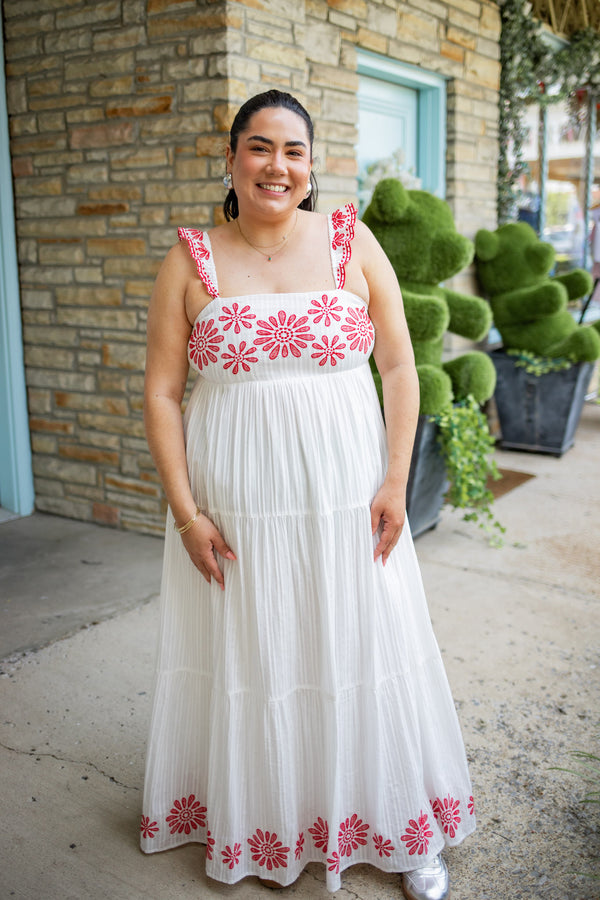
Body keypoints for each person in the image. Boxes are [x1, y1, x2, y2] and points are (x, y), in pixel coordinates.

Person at [140, 89, 475, 899]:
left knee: (367, 643)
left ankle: (399, 830)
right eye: (259, 148)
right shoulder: (190, 260)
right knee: (260, 651)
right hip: (240, 502)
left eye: (293, 151)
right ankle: (275, 820)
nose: (276, 166)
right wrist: (186, 515)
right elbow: (159, 392)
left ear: (311, 164)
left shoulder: (350, 241)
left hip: (348, 491)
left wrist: (397, 479)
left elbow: (399, 367)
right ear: (231, 159)